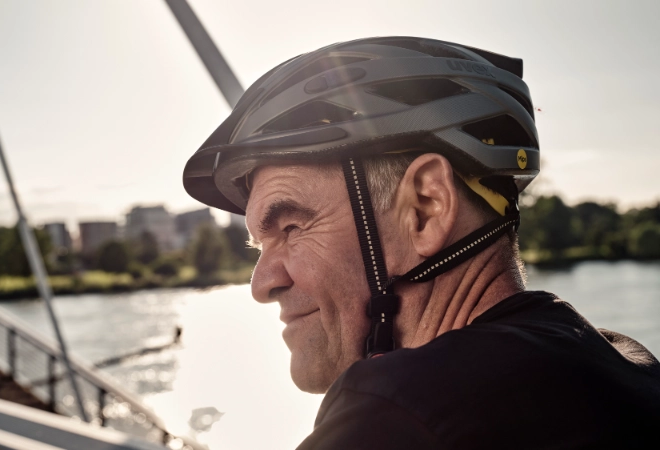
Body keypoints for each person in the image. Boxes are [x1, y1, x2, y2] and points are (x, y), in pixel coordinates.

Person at [182, 37, 660, 448]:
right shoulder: (629, 363)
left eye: (291, 228)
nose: (262, 283)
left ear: (426, 208)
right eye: (257, 247)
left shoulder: (398, 412)